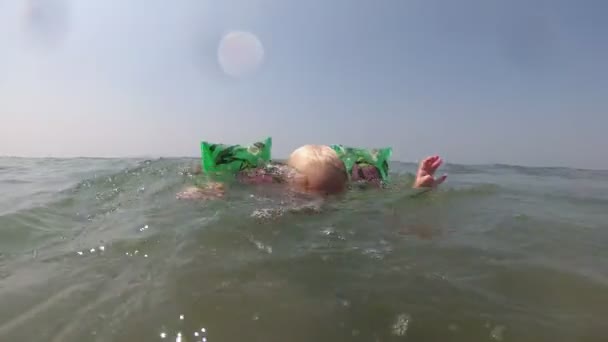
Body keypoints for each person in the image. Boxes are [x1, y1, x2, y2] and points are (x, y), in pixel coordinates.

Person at [176, 144, 447, 200]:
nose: (321, 205)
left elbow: (391, 208)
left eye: (332, 196)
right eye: (312, 194)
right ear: (287, 181)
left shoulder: (354, 191)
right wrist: (211, 189)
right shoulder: (270, 183)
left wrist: (416, 190)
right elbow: (235, 184)